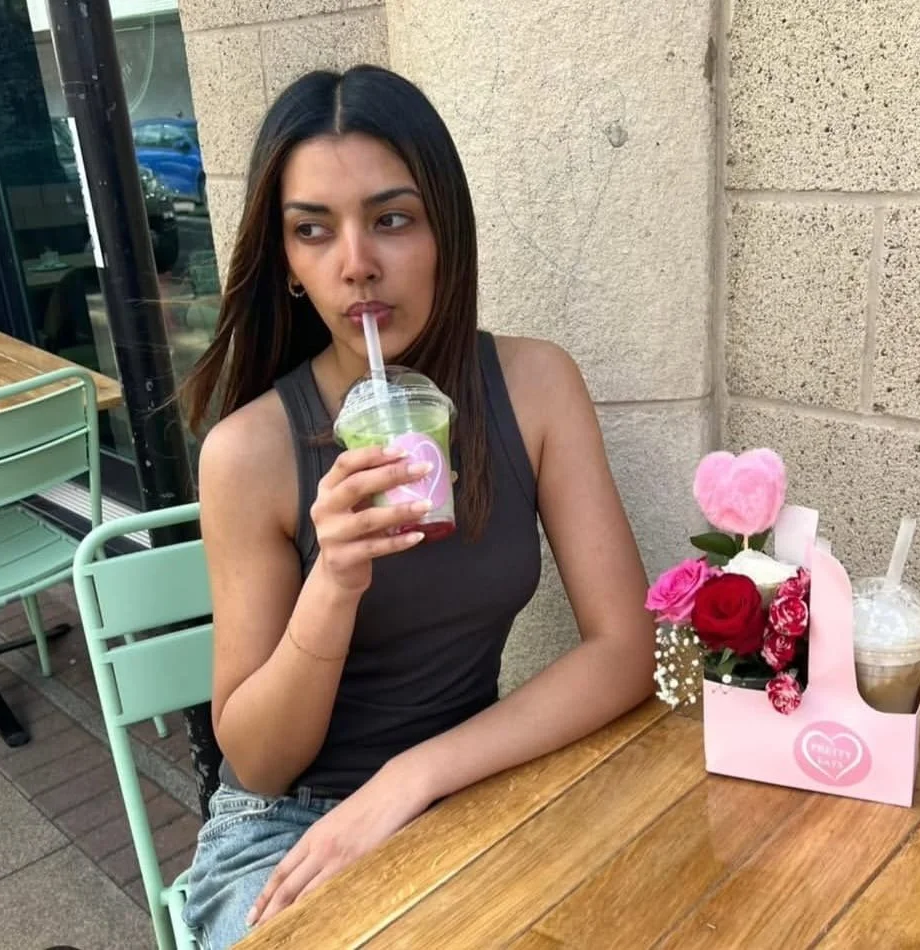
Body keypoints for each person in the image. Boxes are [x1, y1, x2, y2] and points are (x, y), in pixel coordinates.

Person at [178, 64, 655, 948]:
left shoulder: (535, 385)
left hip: (464, 782)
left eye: (391, 219)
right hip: (286, 829)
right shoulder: (249, 451)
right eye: (313, 231)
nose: (356, 263)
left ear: (445, 230)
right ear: (286, 263)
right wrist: (335, 585)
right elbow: (258, 760)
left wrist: (411, 778)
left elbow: (628, 651)